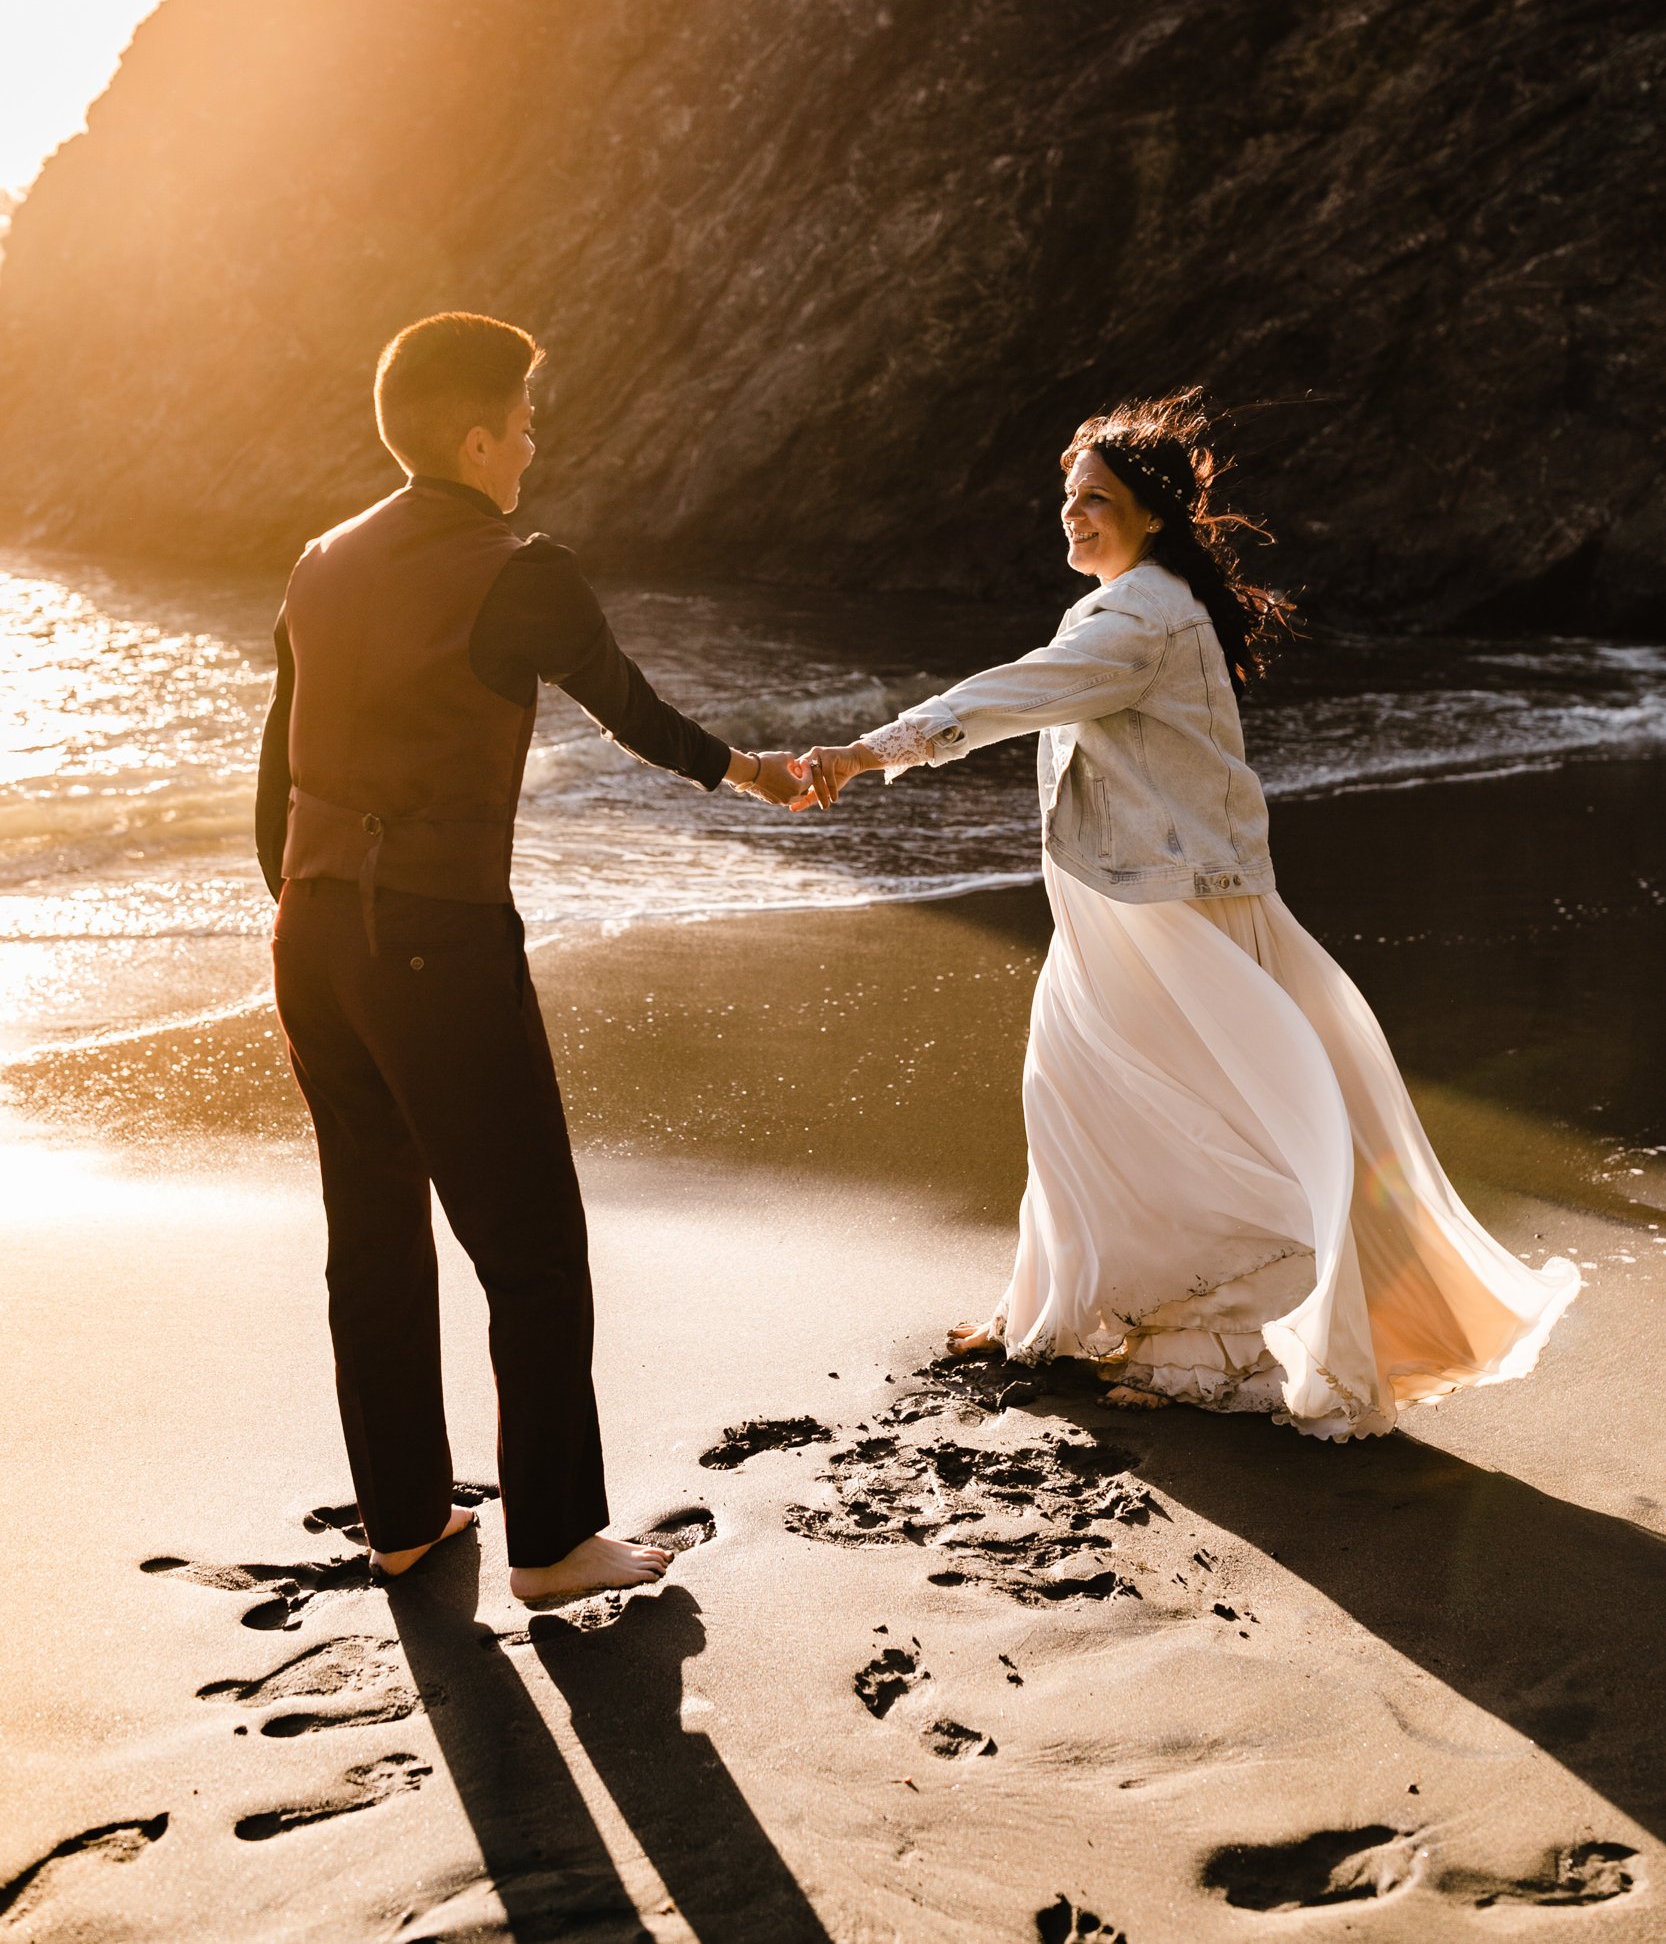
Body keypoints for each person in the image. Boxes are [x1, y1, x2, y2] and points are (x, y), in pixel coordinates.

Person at [794, 394, 1580, 1438]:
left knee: (1199, 1122)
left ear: (1152, 515)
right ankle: (1054, 1313)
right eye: (1066, 498)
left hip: (1171, 908)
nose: (1072, 516)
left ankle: (1232, 1348)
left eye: (1096, 500)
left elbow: (1016, 693)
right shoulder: (1133, 603)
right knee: (1082, 1099)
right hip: (1128, 898)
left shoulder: (1141, 614)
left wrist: (864, 749)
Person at [256, 312, 808, 1595]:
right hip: (432, 941)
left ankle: (403, 1519)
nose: (533, 440)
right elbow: (631, 707)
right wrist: (753, 774)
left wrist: (302, 907)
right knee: (533, 1249)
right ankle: (553, 1541)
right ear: (474, 436)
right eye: (522, 419)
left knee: (373, 1235)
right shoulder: (522, 566)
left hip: (311, 930)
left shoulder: (318, 560)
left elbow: (277, 769)